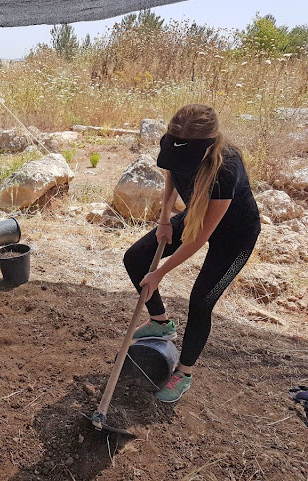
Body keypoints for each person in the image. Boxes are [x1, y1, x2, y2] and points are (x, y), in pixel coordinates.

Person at [123, 104, 261, 403]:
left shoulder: (227, 168)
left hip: (235, 235)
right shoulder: (175, 142)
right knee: (135, 257)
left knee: (201, 300)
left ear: (208, 146)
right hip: (195, 215)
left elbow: (200, 237)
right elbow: (173, 171)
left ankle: (183, 373)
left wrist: (160, 272)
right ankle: (161, 324)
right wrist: (164, 218)